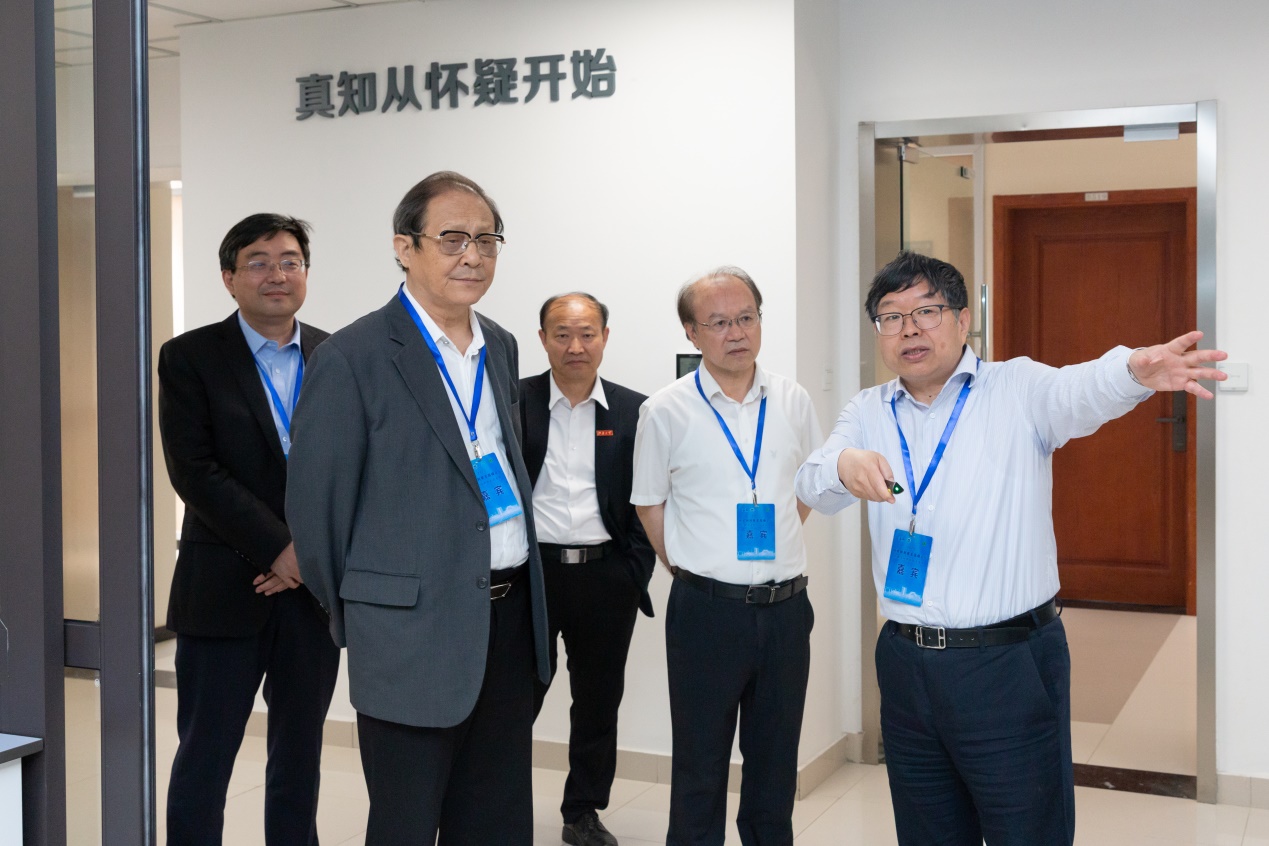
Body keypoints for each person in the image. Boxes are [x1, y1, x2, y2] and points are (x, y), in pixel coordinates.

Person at [795, 251, 1227, 846]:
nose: (909, 330)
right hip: (905, 663)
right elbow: (810, 483)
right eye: (891, 317)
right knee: (927, 832)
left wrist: (1131, 371)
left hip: (1006, 661)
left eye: (926, 311)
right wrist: (843, 463)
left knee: (1028, 831)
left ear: (963, 319)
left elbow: (1079, 390)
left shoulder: (1016, 388)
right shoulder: (868, 410)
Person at [285, 171, 550, 846]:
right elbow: (318, 517)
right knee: (404, 824)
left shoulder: (500, 345)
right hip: (409, 635)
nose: (473, 255)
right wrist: (375, 614)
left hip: (507, 623)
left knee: (495, 823)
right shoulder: (353, 357)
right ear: (404, 247)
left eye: (486, 240)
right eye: (453, 238)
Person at [158, 213, 340, 845]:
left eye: (290, 261)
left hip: (311, 599)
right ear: (229, 278)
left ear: (306, 273)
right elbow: (195, 471)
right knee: (205, 758)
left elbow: (353, 469)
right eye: (258, 262)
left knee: (299, 757)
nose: (277, 275)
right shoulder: (190, 357)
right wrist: (282, 549)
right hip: (222, 591)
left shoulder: (336, 355)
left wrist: (308, 559)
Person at [631, 267, 822, 846]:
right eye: (718, 322)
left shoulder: (793, 400)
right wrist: (691, 567)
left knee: (775, 765)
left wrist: (768, 555)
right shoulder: (665, 410)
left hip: (786, 611)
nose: (736, 333)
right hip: (706, 614)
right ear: (692, 333)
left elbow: (804, 492)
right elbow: (649, 504)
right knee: (700, 764)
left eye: (746, 318)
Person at [521, 292, 656, 846]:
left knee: (598, 702)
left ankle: (582, 812)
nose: (575, 346)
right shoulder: (514, 401)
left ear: (604, 337)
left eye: (586, 333)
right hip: (530, 576)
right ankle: (497, 803)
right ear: (543, 339)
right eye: (561, 334)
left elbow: (651, 496)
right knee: (515, 697)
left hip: (605, 577)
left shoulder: (635, 411)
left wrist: (633, 571)